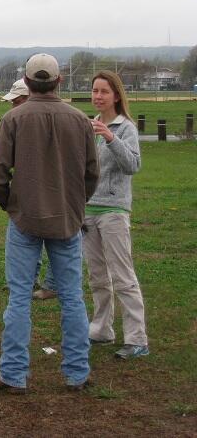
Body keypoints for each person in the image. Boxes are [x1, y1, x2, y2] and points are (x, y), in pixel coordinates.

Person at [0, 53, 99, 393]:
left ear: (28, 80)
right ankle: (77, 373)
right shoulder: (80, 120)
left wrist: (10, 203)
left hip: (24, 219)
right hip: (67, 219)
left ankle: (14, 375)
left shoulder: (14, 119)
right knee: (72, 297)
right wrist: (76, 205)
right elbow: (92, 174)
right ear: (59, 80)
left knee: (19, 297)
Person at [0, 78, 56, 298]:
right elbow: (17, 157)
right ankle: (28, 280)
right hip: (26, 194)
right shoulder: (17, 121)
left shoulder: (52, 120)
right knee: (26, 238)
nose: (13, 107)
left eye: (16, 102)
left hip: (53, 194)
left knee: (57, 240)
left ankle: (52, 284)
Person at [83, 71, 149, 360]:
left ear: (117, 95)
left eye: (104, 92)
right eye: (95, 91)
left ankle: (137, 339)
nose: (98, 96)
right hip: (88, 211)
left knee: (123, 276)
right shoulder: (89, 125)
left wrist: (111, 138)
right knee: (97, 275)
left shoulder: (126, 128)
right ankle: (101, 329)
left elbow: (133, 165)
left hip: (113, 211)